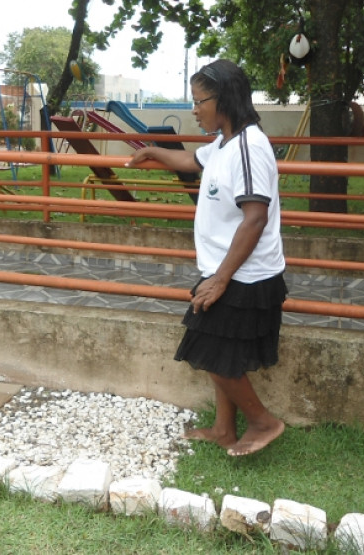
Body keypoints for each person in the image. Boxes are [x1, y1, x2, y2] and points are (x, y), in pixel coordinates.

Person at [126, 59, 286, 457]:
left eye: (199, 102)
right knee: (220, 354)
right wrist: (152, 152)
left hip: (245, 276)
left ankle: (264, 421)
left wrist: (220, 280)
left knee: (210, 354)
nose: (194, 110)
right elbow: (189, 163)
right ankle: (223, 430)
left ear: (225, 99)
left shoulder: (250, 147)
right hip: (225, 270)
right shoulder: (223, 144)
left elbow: (255, 218)